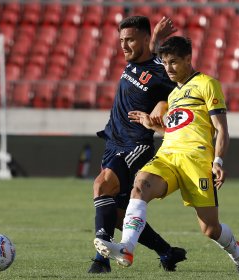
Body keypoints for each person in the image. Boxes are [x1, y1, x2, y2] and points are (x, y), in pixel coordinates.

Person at [94, 36, 239, 276]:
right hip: (168, 155)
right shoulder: (172, 96)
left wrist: (218, 160)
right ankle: (127, 248)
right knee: (140, 185)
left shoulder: (207, 84)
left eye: (174, 62)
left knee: (210, 228)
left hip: (196, 160)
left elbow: (221, 129)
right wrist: (151, 125)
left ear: (188, 59)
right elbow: (176, 128)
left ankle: (238, 254)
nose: (168, 68)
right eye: (165, 63)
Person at [88, 16, 187, 274]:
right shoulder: (135, 61)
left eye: (130, 39)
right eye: (121, 40)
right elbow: (149, 53)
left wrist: (162, 106)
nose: (124, 46)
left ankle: (101, 259)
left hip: (135, 145)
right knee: (119, 213)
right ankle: (167, 252)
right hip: (113, 141)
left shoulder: (164, 72)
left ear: (144, 39)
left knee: (102, 184)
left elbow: (178, 95)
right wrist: (153, 37)